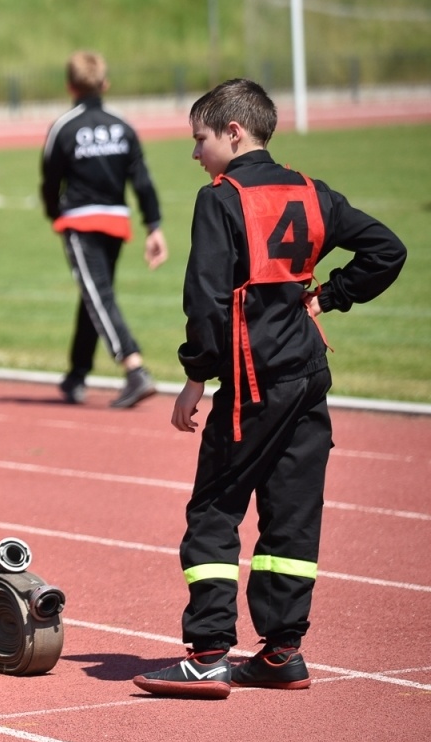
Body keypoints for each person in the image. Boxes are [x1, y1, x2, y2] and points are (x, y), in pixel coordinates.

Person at [135, 79, 405, 699]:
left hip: (253, 382)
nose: (195, 154)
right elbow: (387, 250)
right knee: (291, 515)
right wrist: (328, 296)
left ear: (233, 132)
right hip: (309, 378)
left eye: (199, 139)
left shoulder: (220, 199)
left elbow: (203, 302)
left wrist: (195, 378)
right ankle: (282, 651)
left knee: (213, 510)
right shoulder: (312, 191)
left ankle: (207, 654)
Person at [40, 51, 167, 409]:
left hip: (80, 221)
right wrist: (153, 226)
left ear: (70, 86)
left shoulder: (63, 126)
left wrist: (54, 214)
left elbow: (50, 181)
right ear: (105, 84)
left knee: (98, 296)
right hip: (116, 222)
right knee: (94, 295)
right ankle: (77, 374)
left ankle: (134, 367)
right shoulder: (122, 126)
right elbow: (142, 180)